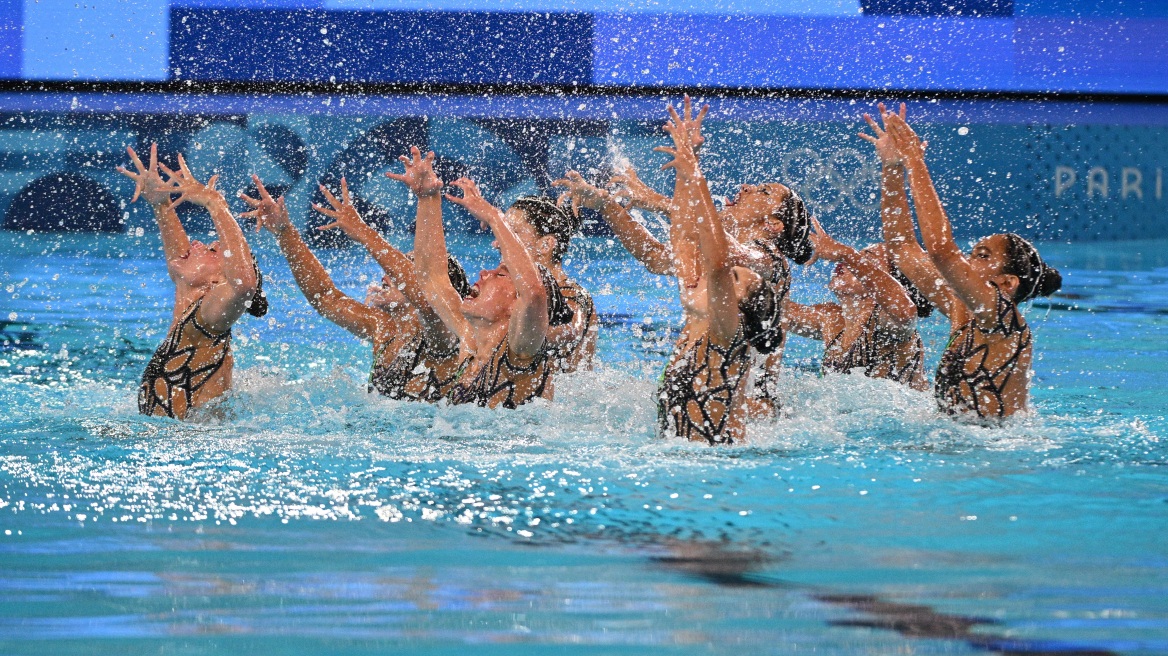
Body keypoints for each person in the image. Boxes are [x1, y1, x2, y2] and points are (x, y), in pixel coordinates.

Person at [868, 104, 1062, 419]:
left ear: (1007, 282)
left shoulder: (1001, 317)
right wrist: (892, 167)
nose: (967, 261)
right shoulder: (962, 309)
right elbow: (903, 248)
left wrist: (915, 159)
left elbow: (941, 250)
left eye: (982, 256)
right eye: (972, 253)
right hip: (963, 444)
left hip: (997, 453)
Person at [242, 176, 468, 402]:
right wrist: (285, 233)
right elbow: (324, 297)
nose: (387, 276)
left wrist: (363, 231)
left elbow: (427, 301)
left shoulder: (443, 336)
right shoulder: (383, 328)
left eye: (403, 270)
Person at [388, 147, 566, 409]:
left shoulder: (521, 351)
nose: (484, 272)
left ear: (516, 305)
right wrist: (427, 197)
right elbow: (430, 277)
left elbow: (534, 292)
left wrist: (494, 216)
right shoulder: (469, 337)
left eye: (500, 273)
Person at [654, 106, 782, 444]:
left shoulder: (726, 333)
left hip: (718, 469)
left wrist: (696, 174)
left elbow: (718, 262)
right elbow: (682, 237)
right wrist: (686, 167)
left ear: (737, 305)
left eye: (732, 282)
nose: (717, 279)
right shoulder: (697, 324)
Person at [118, 146, 266, 420]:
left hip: (191, 444)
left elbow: (245, 286)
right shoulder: (191, 309)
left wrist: (214, 202)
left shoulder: (208, 320)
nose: (195, 243)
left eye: (211, 250)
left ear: (217, 283)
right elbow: (178, 261)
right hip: (182, 441)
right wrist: (160, 203)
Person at [782, 218, 929, 390]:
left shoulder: (889, 325)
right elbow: (768, 309)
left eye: (865, 259)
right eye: (857, 257)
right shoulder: (831, 318)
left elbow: (906, 311)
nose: (850, 263)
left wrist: (846, 253)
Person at [497, 195, 597, 373]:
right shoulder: (515, 290)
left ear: (545, 245)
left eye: (511, 234)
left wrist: (514, 337)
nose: (497, 243)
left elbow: (571, 330)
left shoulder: (574, 296)